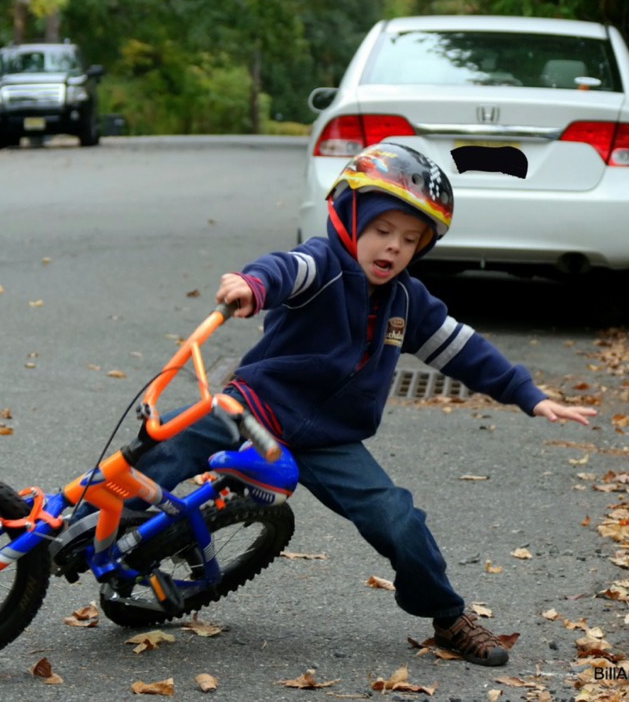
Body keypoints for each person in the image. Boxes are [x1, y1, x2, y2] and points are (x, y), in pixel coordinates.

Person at [134, 143, 597, 667]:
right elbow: (283, 270)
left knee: (398, 519)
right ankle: (83, 524)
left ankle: (447, 616)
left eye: (409, 240)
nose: (393, 248)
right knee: (168, 447)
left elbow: (464, 349)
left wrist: (528, 395)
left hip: (330, 440)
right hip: (256, 409)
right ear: (351, 216)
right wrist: (252, 284)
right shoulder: (322, 264)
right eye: (383, 230)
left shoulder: (408, 301)